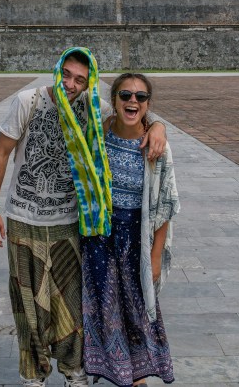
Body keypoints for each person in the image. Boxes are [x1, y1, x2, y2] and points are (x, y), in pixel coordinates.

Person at [0, 48, 167, 387]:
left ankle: (72, 369)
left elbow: (135, 113)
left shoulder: (93, 106)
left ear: (89, 83)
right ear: (56, 70)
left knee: (70, 303)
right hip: (24, 217)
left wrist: (158, 128)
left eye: (80, 79)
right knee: (27, 302)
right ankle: (34, 374)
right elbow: (0, 154)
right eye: (66, 74)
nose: (70, 83)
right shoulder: (28, 101)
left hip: (70, 220)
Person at [82, 73, 179, 386]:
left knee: (138, 310)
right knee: (102, 306)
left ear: (148, 104)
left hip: (135, 236)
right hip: (98, 237)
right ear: (114, 101)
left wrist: (154, 256)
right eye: (125, 95)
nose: (132, 101)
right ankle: (113, 370)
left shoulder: (156, 145)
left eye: (140, 97)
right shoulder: (97, 132)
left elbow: (165, 207)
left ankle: (136, 377)